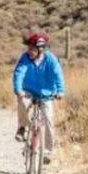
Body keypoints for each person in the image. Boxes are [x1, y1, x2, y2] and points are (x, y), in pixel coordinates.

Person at [12, 32, 65, 160]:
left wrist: (60, 91)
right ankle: (22, 128)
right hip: (28, 91)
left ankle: (48, 151)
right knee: (22, 102)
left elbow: (58, 74)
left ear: (40, 50)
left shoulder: (50, 59)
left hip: (46, 94)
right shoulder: (25, 58)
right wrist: (18, 89)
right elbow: (19, 73)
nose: (29, 51)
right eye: (28, 48)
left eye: (32, 49)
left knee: (48, 120)